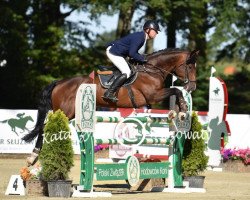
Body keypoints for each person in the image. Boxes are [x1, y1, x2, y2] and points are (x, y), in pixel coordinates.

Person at [102, 20, 160, 103]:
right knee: (127, 72)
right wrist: (143, 59)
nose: (156, 33)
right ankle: (109, 93)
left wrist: (140, 58)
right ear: (148, 30)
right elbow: (132, 53)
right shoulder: (140, 37)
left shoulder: (142, 37)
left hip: (118, 52)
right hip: (114, 52)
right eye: (155, 31)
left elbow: (132, 52)